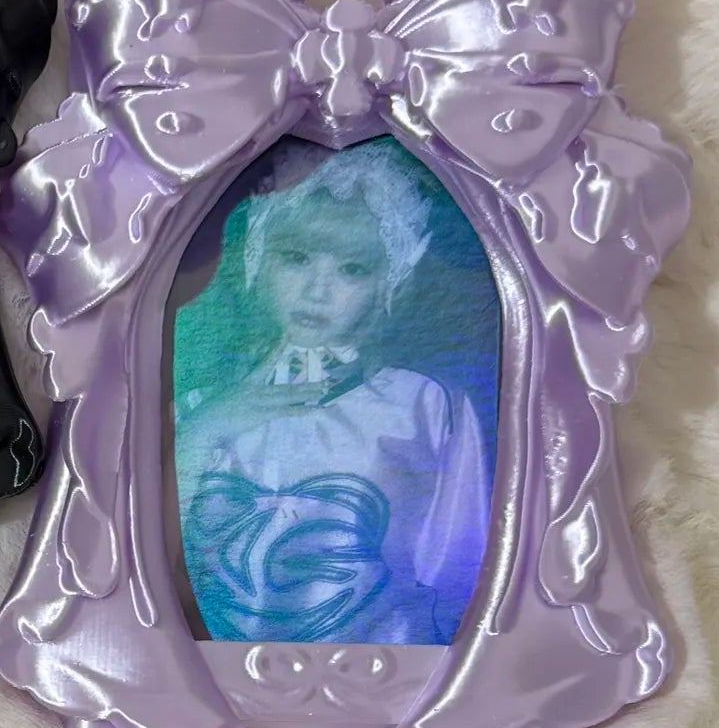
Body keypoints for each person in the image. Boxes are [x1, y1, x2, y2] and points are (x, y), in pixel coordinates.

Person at [172, 140, 492, 647]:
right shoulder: (196, 408)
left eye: (352, 269)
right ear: (257, 261)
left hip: (389, 672)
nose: (316, 291)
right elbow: (147, 559)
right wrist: (203, 431)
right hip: (215, 672)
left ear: (388, 282)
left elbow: (456, 565)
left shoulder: (426, 407)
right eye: (296, 259)